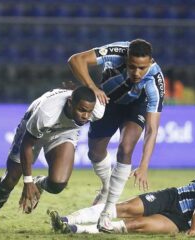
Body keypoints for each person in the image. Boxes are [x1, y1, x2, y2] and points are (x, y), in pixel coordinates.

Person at [0, 87, 105, 236]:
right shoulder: (46, 113)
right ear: (70, 103)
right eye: (82, 110)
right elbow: (27, 145)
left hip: (64, 132)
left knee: (58, 183)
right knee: (10, 179)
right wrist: (27, 181)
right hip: (32, 130)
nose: (86, 116)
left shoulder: (97, 111)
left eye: (89, 112)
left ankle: (40, 183)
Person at [68, 39, 165, 231]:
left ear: (151, 62)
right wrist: (93, 88)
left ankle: (106, 213)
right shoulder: (116, 51)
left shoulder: (155, 81)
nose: (136, 73)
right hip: (108, 99)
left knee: (125, 149)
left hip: (135, 106)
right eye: (132, 66)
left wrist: (144, 166)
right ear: (126, 58)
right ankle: (106, 187)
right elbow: (75, 60)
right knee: (95, 153)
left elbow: (152, 129)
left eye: (142, 68)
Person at [49, 161, 195, 236]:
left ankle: (77, 230)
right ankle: (68, 219)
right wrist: (193, 231)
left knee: (136, 225)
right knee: (127, 208)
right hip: (174, 198)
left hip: (181, 221)